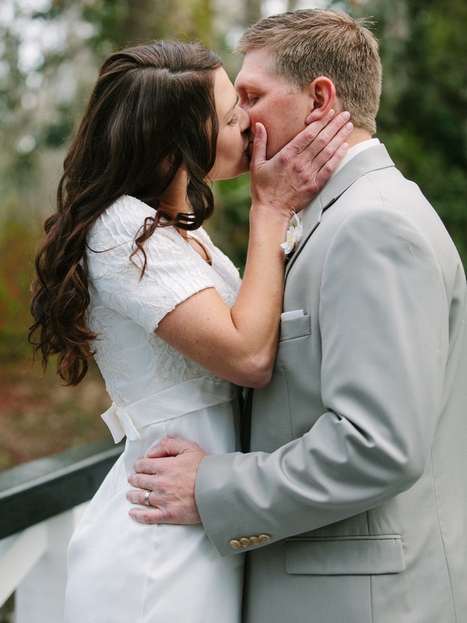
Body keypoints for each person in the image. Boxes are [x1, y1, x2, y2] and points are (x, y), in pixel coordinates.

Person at [127, 10, 467, 623]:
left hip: (362, 604)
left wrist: (213, 488)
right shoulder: (337, 217)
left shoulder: (373, 225)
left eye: (251, 97)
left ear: (320, 99)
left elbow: (378, 446)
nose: (237, 120)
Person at [28, 39, 351, 622]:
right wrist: (270, 210)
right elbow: (249, 356)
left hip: (201, 516)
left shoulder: (184, 234)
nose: (248, 121)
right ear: (176, 143)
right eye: (230, 115)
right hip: (156, 547)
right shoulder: (124, 230)